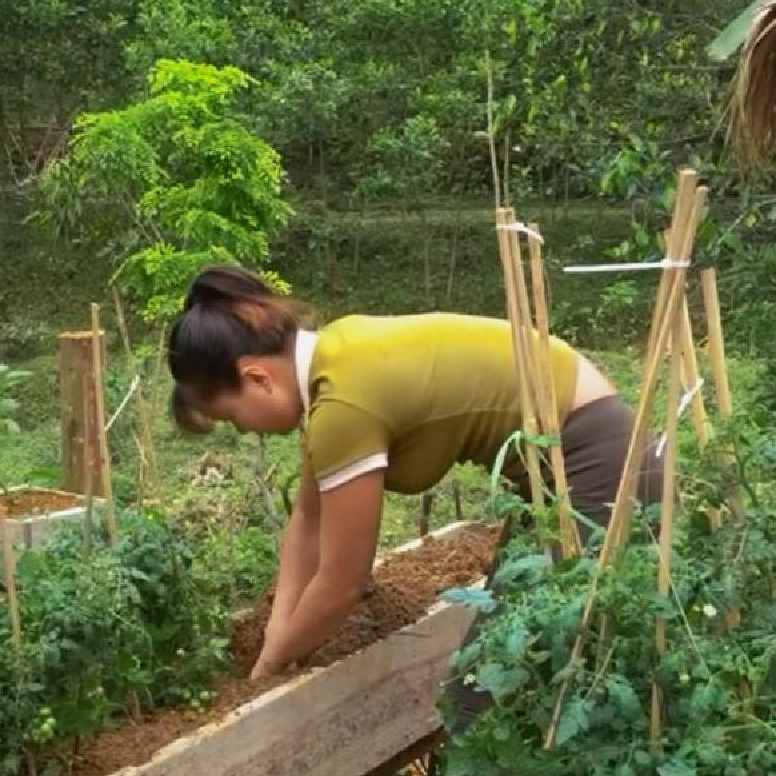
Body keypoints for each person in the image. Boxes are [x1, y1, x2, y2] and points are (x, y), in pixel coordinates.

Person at [164, 265, 660, 677]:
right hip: (579, 455)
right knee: (525, 652)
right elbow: (309, 521)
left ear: (256, 378)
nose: (246, 430)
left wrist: (271, 665)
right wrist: (279, 632)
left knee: (489, 691)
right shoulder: (337, 357)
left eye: (233, 417)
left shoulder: (343, 405)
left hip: (593, 463)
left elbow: (342, 582)